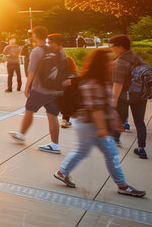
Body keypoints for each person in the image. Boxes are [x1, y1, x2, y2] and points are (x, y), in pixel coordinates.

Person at [53, 50, 146, 197]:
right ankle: (122, 186)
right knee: (111, 154)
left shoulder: (98, 80)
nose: (111, 63)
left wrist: (115, 119)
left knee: (84, 151)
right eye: (108, 60)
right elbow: (95, 108)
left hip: (88, 124)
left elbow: (105, 105)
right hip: (91, 125)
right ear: (102, 64)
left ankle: (61, 172)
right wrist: (102, 128)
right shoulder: (94, 83)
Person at [9, 29, 68, 154]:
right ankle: (54, 144)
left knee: (29, 110)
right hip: (55, 90)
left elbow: (31, 71)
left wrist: (27, 87)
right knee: (52, 116)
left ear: (35, 36)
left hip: (40, 89)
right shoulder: (57, 50)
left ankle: (21, 135)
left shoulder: (37, 50)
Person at [109, 35, 147, 158]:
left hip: (125, 96)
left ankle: (115, 139)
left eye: (112, 46)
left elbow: (117, 84)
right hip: (141, 95)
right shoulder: (137, 59)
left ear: (120, 47)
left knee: (119, 118)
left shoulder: (119, 62)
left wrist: (113, 101)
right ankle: (141, 148)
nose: (111, 48)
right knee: (139, 121)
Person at [61, 52, 79, 129]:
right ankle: (65, 119)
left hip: (68, 84)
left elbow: (74, 72)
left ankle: (65, 120)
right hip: (67, 85)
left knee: (66, 102)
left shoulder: (67, 59)